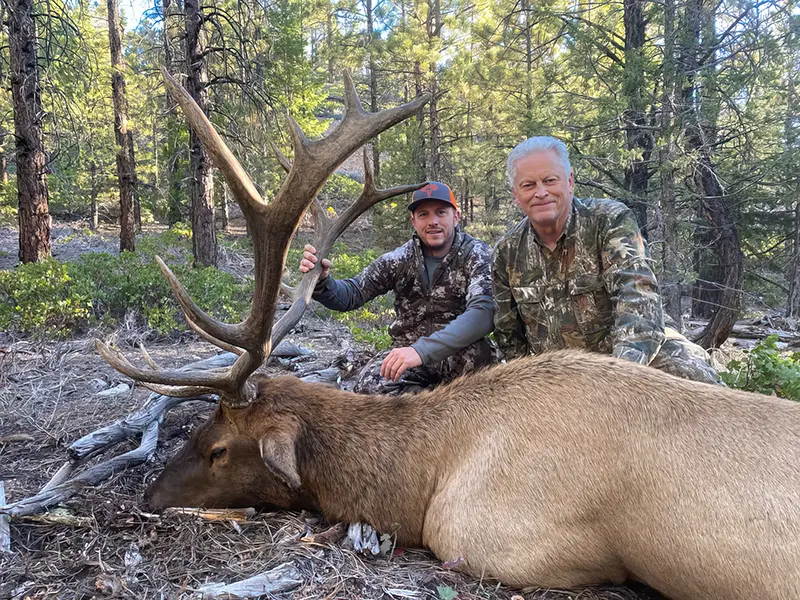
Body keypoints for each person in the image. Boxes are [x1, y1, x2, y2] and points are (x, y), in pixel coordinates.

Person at [493, 136, 721, 384]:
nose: (541, 192)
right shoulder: (507, 252)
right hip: (559, 373)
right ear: (516, 195)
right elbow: (509, 335)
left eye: (550, 180)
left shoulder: (609, 220)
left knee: (690, 372)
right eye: (528, 185)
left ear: (569, 182)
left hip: (629, 357)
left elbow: (637, 292)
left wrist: (618, 376)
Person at [300, 182, 497, 394]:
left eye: (441, 213)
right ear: (414, 221)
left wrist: (421, 351)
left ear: (456, 216)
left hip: (462, 353)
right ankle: (428, 408)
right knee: (370, 386)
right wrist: (322, 282)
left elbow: (483, 313)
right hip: (406, 355)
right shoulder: (399, 259)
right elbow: (353, 293)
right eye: (423, 215)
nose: (433, 221)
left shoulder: (477, 254)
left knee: (490, 386)